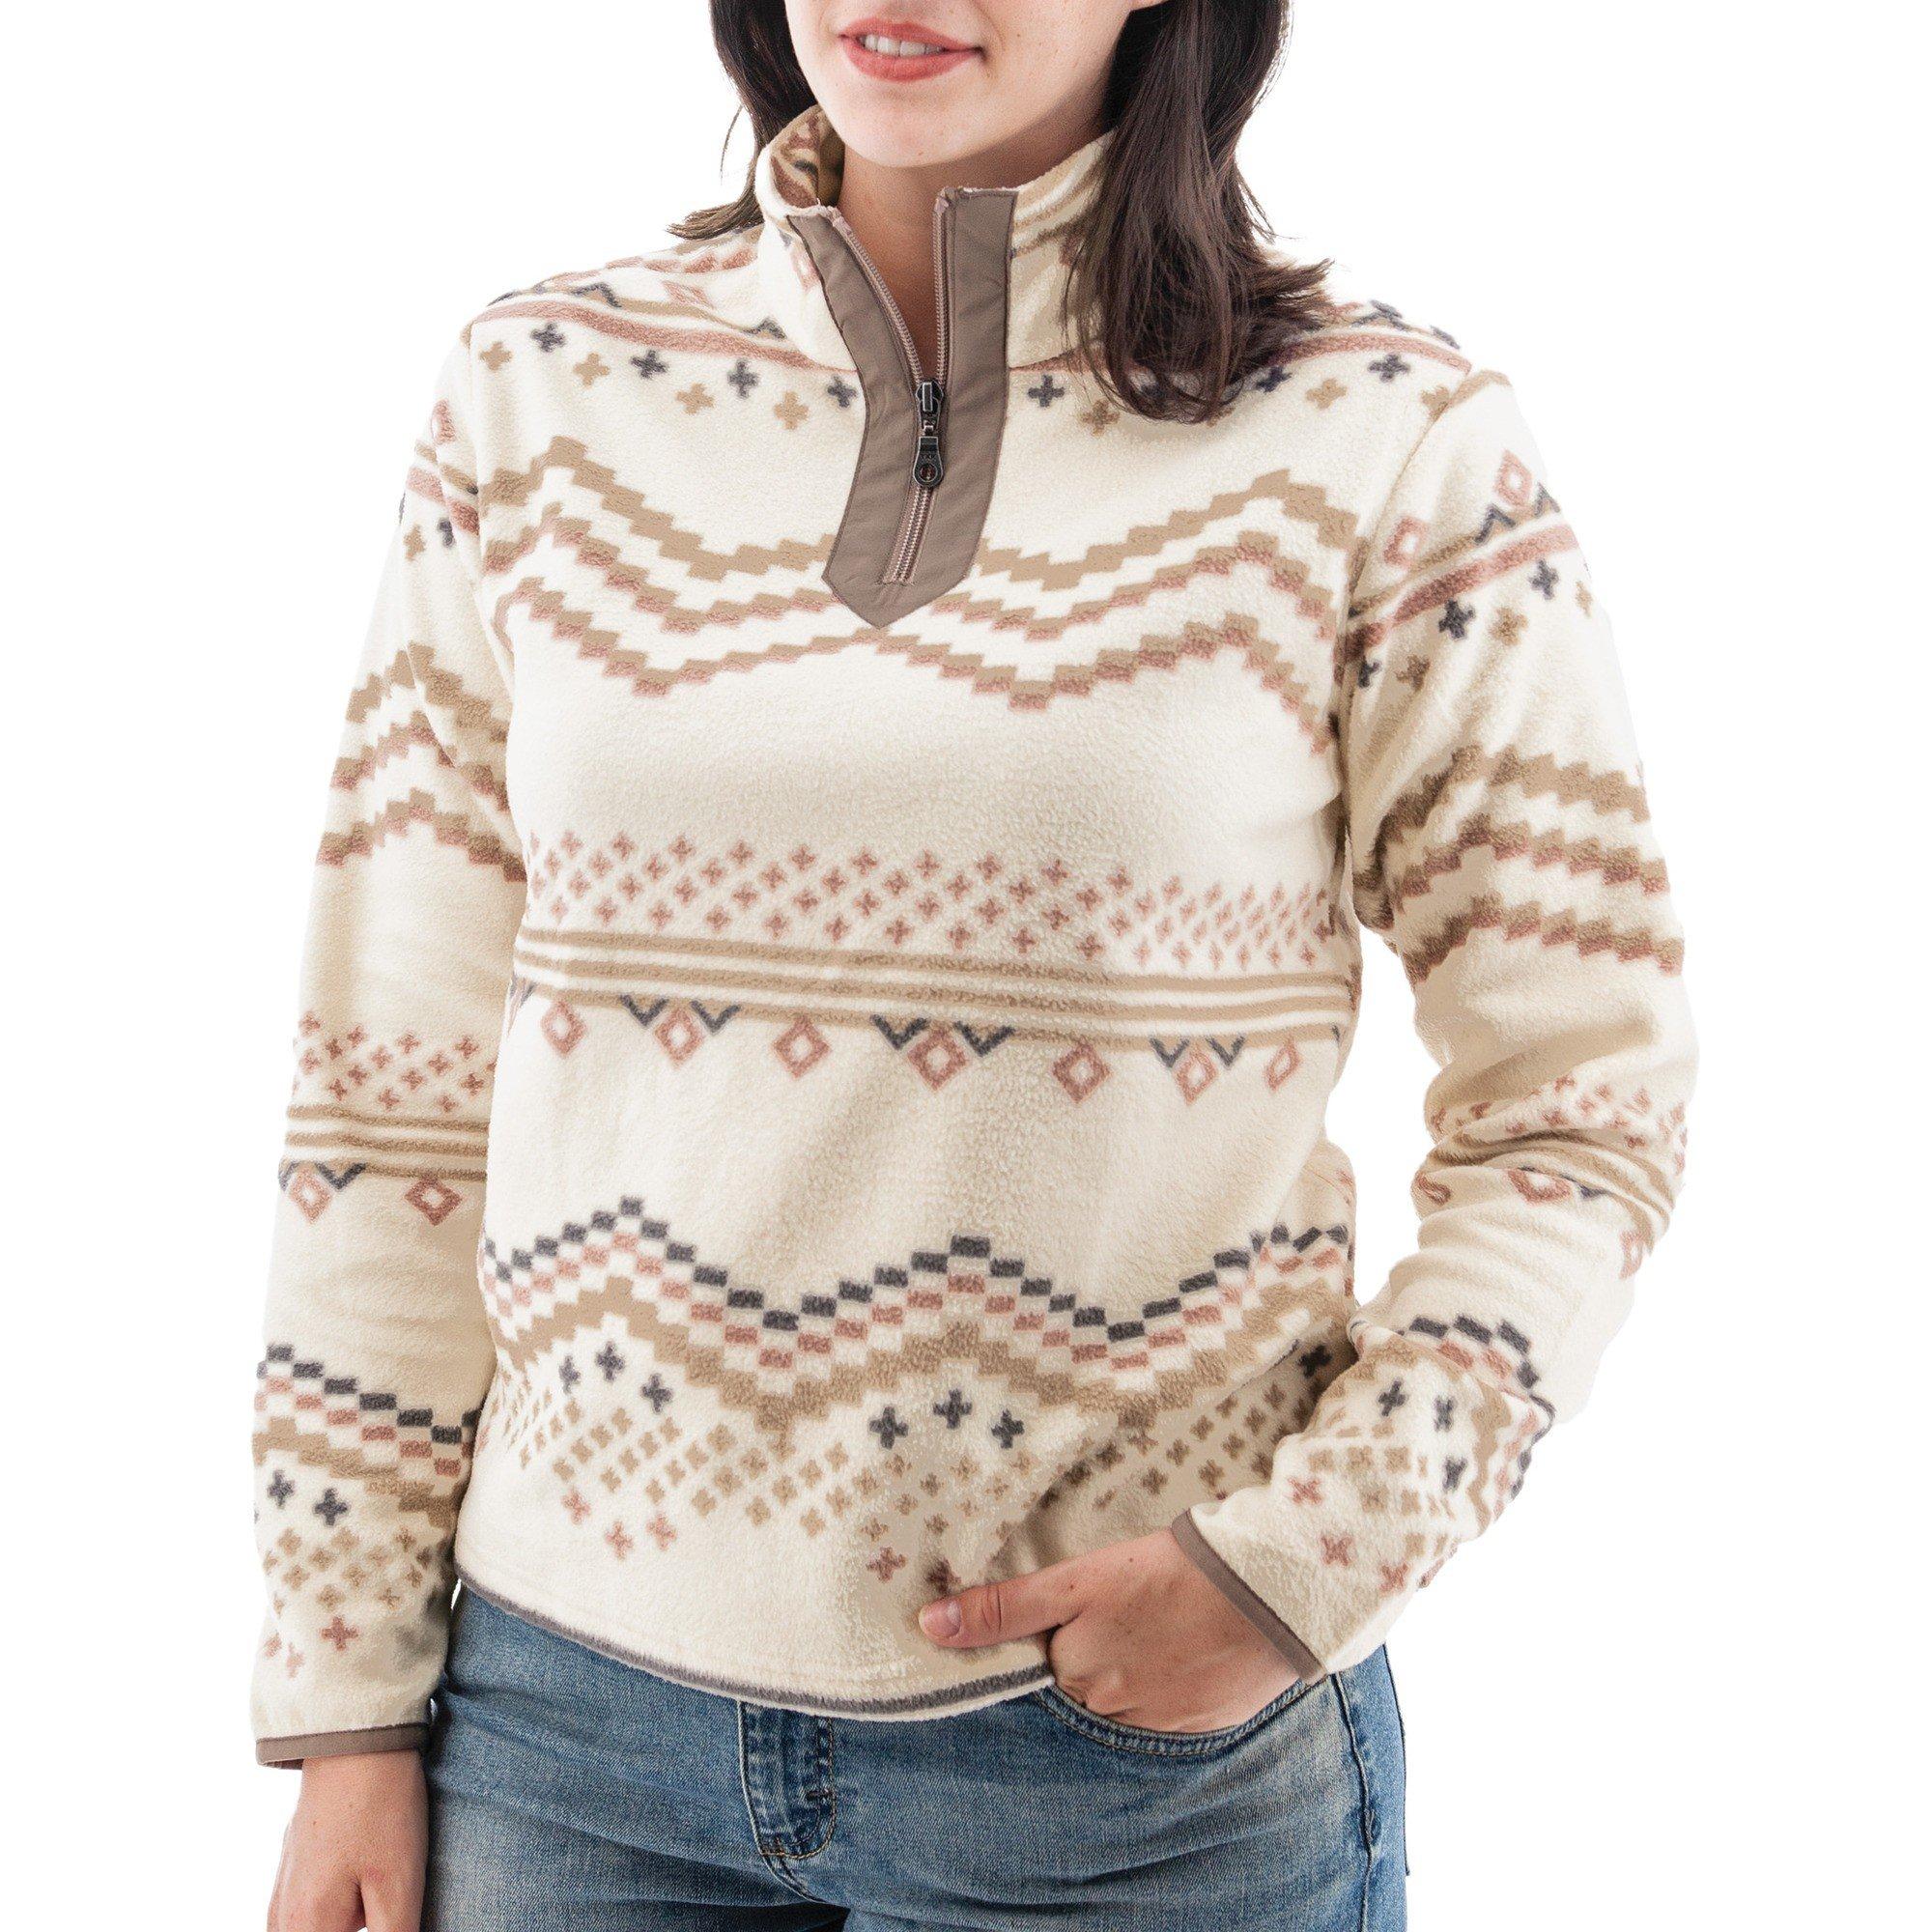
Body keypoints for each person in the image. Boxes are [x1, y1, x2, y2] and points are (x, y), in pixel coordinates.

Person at [253, 4, 1696, 1927]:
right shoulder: (539, 392)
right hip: (554, 1744)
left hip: (1128, 1770)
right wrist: (346, 1693)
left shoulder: (1388, 437)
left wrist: (1309, 1559)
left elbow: (1584, 1096)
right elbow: (391, 1085)